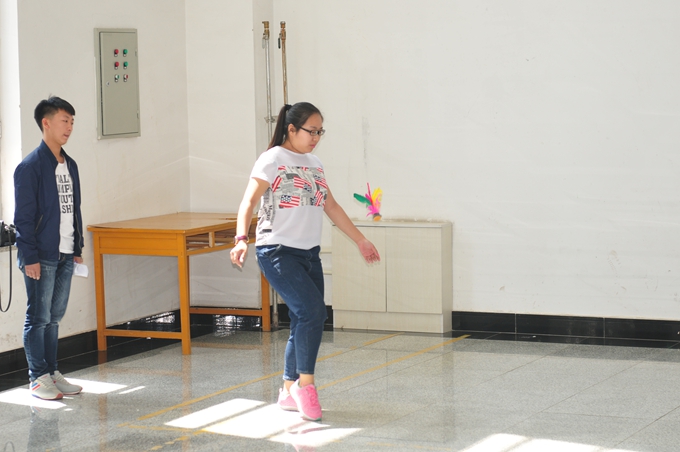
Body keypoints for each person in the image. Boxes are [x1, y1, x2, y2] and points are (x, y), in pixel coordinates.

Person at [230, 102, 380, 422]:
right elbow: (249, 201)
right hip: (276, 251)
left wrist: (360, 240)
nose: (315, 138)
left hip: (309, 254)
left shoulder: (315, 164)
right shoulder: (272, 159)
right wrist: (241, 238)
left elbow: (331, 206)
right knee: (313, 313)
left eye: (320, 132)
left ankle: (288, 390)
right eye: (311, 131)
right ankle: (306, 385)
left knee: (303, 319)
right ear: (291, 129)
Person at [14, 96, 84, 400]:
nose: (69, 127)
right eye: (64, 120)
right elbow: (23, 219)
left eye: (72, 122)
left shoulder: (71, 165)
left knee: (54, 318)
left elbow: (74, 210)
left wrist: (77, 246)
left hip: (66, 252)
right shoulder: (30, 167)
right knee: (38, 318)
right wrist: (29, 256)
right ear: (46, 123)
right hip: (40, 255)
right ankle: (37, 377)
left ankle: (52, 372)